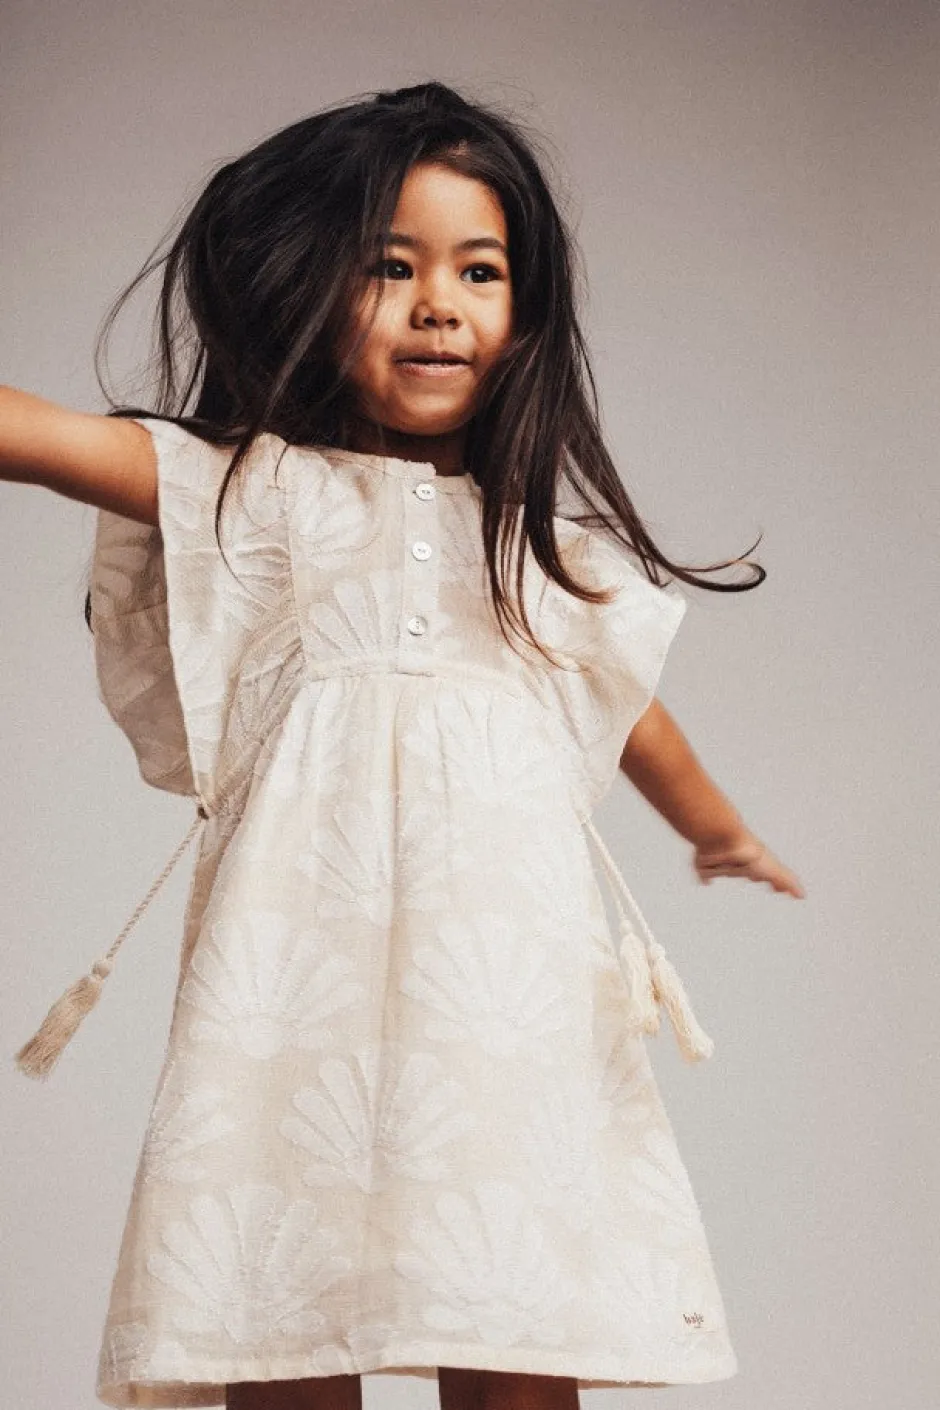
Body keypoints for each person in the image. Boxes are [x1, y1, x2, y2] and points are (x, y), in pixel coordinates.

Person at [3, 81, 804, 1410]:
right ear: (307, 291)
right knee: (278, 1308)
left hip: (504, 998)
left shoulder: (531, 548)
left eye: (478, 270)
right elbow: (39, 438)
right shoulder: (255, 496)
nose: (440, 304)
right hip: (291, 989)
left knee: (513, 1302)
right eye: (390, 267)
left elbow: (634, 714)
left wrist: (717, 829)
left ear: (526, 312)